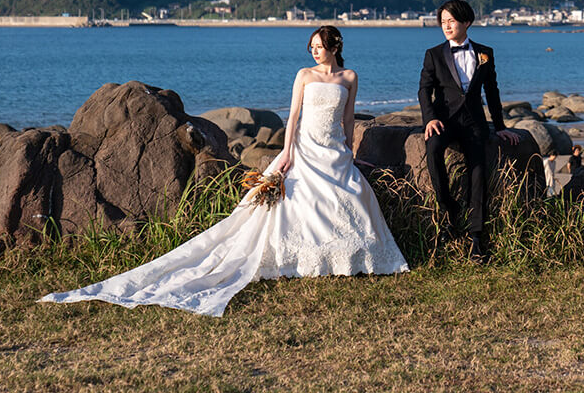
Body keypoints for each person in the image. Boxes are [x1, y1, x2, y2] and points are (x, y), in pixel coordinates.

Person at [39, 26, 408, 317]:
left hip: (334, 148)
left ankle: (349, 257)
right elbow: (293, 115)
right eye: (311, 46)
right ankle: (300, 258)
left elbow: (347, 116)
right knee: (300, 201)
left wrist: (347, 148)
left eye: (319, 46)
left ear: (334, 46)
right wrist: (288, 151)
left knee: (350, 197)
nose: (314, 51)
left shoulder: (349, 77)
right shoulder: (304, 75)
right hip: (306, 147)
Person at [418, 0, 519, 263]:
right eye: (443, 22)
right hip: (444, 121)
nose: (446, 26)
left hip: (474, 123)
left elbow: (492, 92)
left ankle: (476, 237)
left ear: (466, 22)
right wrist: (429, 119)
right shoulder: (434, 54)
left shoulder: (485, 53)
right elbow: (424, 90)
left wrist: (500, 127)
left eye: (451, 21)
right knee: (434, 150)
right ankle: (449, 209)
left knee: (478, 171)